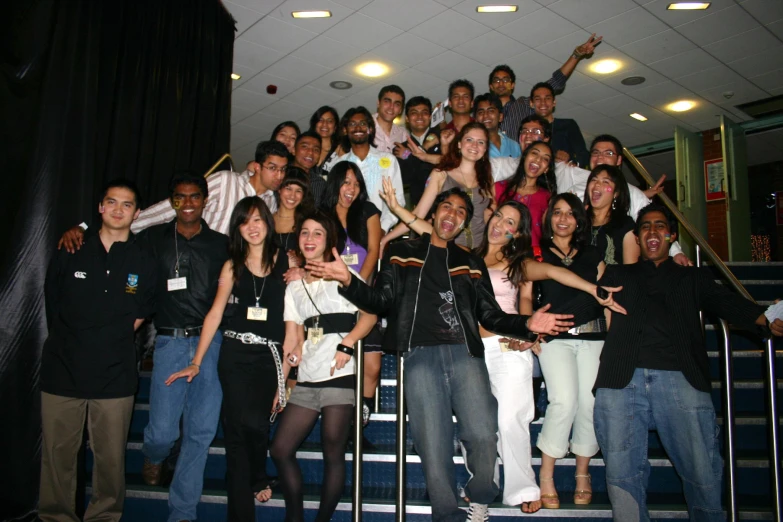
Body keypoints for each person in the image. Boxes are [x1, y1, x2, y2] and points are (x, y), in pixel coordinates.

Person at [307, 188, 578, 522]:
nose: (452, 214)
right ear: (434, 214)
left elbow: (490, 315)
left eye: (461, 211)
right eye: (446, 207)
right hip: (420, 356)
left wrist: (527, 323)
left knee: (481, 434)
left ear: (464, 222)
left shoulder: (470, 261)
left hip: (465, 353)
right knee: (432, 444)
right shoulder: (400, 251)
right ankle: (446, 515)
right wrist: (349, 280)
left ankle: (480, 495)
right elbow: (380, 302)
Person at [379, 179, 625, 515]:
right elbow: (432, 226)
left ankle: (522, 487)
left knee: (511, 420)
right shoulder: (465, 255)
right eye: (499, 218)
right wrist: (397, 209)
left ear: (517, 233)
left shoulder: (518, 264)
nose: (501, 225)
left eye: (511, 223)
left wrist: (592, 290)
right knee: (477, 426)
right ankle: (480, 493)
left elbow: (551, 274)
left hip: (507, 347)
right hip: (468, 350)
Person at [584, 203, 783, 521]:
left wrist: (767, 317)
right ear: (637, 237)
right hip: (620, 381)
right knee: (622, 479)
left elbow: (726, 302)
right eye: (645, 226)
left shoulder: (694, 277)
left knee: (702, 474)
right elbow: (578, 294)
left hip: (680, 379)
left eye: (660, 226)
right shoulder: (618, 274)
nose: (652, 231)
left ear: (671, 235)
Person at [166, 196, 288, 521]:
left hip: (269, 356)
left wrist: (289, 371)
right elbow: (215, 313)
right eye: (245, 221)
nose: (253, 227)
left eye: (258, 219)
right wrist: (197, 360)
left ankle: (258, 475)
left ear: (268, 222)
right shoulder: (231, 266)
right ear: (238, 228)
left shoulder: (286, 262)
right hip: (234, 355)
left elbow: (295, 318)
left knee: (256, 423)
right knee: (235, 433)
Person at [40, 179, 155, 522]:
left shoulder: (144, 259)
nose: (119, 209)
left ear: (136, 213)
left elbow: (139, 316)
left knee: (110, 460)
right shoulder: (71, 248)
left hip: (115, 375)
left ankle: (104, 518)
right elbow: (53, 304)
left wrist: (106, 338)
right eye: (112, 202)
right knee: (57, 458)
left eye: (127, 204)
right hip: (63, 370)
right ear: (100, 208)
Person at [271, 211, 377, 522]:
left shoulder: (345, 275)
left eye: (318, 233)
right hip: (307, 379)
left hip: (341, 376)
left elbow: (370, 315)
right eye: (305, 233)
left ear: (329, 240)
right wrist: (282, 382)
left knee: (333, 453)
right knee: (280, 449)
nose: (310, 239)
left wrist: (348, 344)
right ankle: (296, 517)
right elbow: (292, 339)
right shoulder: (294, 287)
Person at [137, 172, 229, 522]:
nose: (188, 203)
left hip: (212, 344)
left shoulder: (221, 244)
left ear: (205, 200)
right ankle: (155, 455)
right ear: (172, 201)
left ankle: (182, 514)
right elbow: (113, 235)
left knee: (200, 433)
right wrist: (81, 228)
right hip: (169, 343)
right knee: (162, 432)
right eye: (180, 197)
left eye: (194, 197)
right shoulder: (152, 239)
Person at [57, 141, 287, 250]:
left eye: (283, 169)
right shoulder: (226, 180)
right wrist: (87, 228)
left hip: (231, 277)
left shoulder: (271, 202)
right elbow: (165, 210)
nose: (279, 175)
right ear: (257, 167)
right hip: (194, 262)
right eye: (273, 168)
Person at [534, 193, 609, 509]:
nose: (563, 219)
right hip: (553, 338)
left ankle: (583, 474)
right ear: (549, 217)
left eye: (570, 213)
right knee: (563, 400)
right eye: (557, 212)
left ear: (579, 220)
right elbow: (526, 293)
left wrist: (613, 339)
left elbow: (606, 298)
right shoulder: (536, 253)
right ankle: (547, 475)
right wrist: (531, 330)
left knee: (590, 402)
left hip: (594, 337)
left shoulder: (593, 254)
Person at [321, 161, 383, 426]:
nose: (352, 188)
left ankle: (361, 421)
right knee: (340, 365)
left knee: (372, 366)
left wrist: (361, 286)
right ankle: (341, 424)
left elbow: (374, 249)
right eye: (346, 182)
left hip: (363, 292)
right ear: (335, 183)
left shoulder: (368, 210)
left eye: (356, 184)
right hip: (331, 295)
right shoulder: (321, 214)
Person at [382, 122, 494, 252]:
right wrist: (386, 238)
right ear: (459, 144)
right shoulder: (441, 174)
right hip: (446, 250)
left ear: (485, 148)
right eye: (469, 140)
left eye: (481, 142)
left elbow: (491, 214)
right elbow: (418, 213)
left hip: (480, 253)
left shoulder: (487, 177)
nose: (474, 145)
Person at [490, 33, 603, 142]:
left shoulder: (524, 104)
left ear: (513, 85)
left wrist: (576, 55)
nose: (501, 84)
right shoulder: (483, 112)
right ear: (491, 86)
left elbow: (556, 81)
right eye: (497, 80)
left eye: (505, 80)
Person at [326, 106, 405, 233]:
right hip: (345, 232)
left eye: (363, 124)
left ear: (370, 129)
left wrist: (382, 229)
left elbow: (398, 200)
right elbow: (333, 200)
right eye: (352, 124)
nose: (358, 128)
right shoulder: (339, 164)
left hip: (380, 231)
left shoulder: (388, 160)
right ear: (345, 130)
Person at [494, 141, 555, 249]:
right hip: (498, 251)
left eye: (545, 158)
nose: (538, 159)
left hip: (531, 257)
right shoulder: (498, 188)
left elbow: (549, 234)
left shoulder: (548, 198)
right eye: (535, 153)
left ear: (547, 169)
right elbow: (489, 222)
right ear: (525, 157)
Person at [584, 165, 640, 265]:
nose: (597, 184)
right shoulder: (578, 221)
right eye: (593, 179)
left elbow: (631, 272)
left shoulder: (625, 225)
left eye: (605, 181)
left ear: (616, 193)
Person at [393, 96, 442, 207]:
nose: (420, 116)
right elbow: (406, 178)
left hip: (444, 203)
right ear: (407, 119)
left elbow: (449, 166)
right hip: (418, 206)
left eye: (424, 112)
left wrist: (409, 157)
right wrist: (424, 147)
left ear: (430, 117)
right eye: (414, 113)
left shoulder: (442, 138)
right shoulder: (400, 148)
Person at [529, 82, 589, 167]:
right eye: (538, 99)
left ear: (554, 102)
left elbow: (583, 154)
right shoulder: (528, 131)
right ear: (531, 103)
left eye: (548, 98)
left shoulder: (568, 125)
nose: (543, 102)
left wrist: (573, 163)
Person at [273, 169, 313, 278]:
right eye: (288, 188)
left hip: (299, 282)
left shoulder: (309, 223)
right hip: (269, 284)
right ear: (279, 189)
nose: (292, 196)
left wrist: (302, 258)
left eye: (298, 191)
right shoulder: (266, 220)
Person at [473, 93, 520, 159]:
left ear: (500, 117)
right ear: (476, 119)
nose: (485, 115)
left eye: (491, 111)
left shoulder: (514, 146)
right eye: (481, 112)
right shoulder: (472, 146)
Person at [290, 131, 327, 206]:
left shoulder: (320, 184)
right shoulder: (280, 176)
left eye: (316, 150)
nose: (310, 152)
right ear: (293, 150)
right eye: (305, 147)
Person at [373, 84, 409, 153]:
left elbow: (408, 159)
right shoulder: (364, 126)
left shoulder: (402, 133)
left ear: (400, 110)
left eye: (397, 104)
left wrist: (406, 155)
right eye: (387, 101)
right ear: (378, 103)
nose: (391, 107)